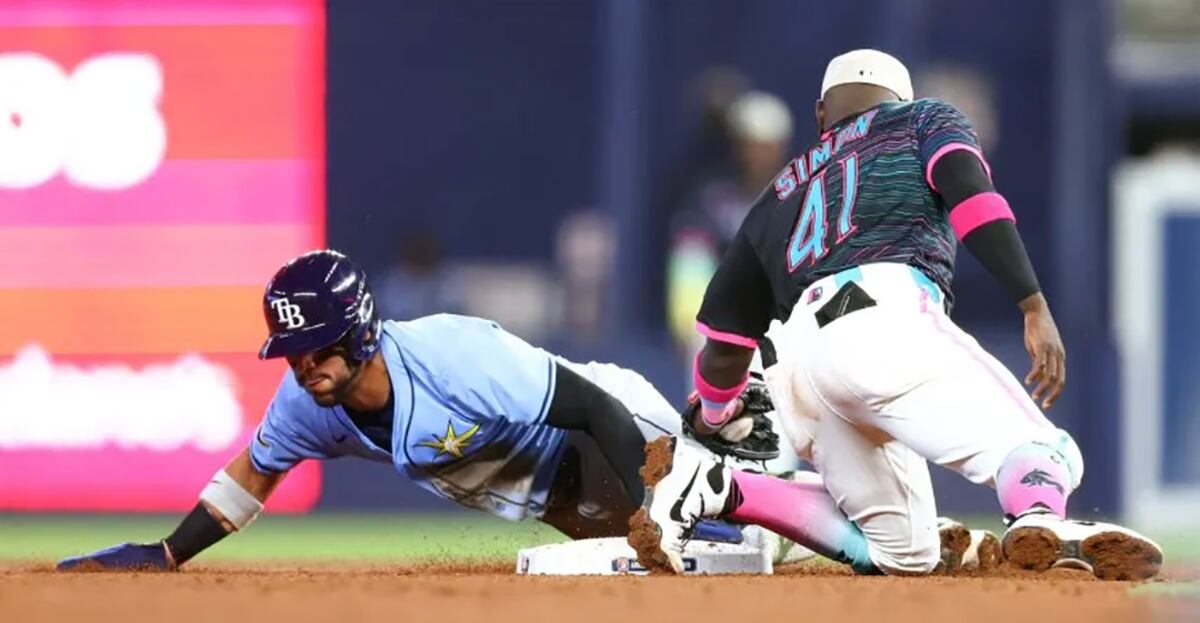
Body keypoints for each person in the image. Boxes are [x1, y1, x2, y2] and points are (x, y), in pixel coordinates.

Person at [629, 49, 1164, 581]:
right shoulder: (922, 118)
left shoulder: (779, 191)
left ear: (820, 114)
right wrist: (1032, 302)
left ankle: (719, 487)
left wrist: (716, 415)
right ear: (899, 99)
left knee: (905, 553)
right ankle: (1040, 519)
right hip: (884, 315)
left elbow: (723, 341)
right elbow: (975, 201)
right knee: (1046, 450)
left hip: (799, 366)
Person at [56, 249, 779, 571]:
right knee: (706, 567)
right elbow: (252, 474)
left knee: (749, 530)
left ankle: (802, 490)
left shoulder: (451, 353)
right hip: (557, 497)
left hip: (615, 435)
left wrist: (658, 501)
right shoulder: (308, 403)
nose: (304, 365)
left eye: (317, 345)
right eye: (293, 351)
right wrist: (167, 552)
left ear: (360, 331)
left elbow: (591, 406)